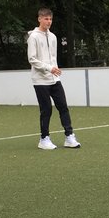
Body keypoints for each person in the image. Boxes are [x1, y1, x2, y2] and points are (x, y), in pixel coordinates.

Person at [27, 8, 80, 150]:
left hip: (54, 79)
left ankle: (69, 137)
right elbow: (32, 59)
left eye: (50, 19)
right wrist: (49, 68)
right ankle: (44, 139)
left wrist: (55, 69)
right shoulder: (33, 37)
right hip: (40, 80)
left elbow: (53, 57)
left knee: (63, 106)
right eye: (46, 19)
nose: (48, 22)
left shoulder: (53, 37)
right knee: (46, 110)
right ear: (39, 19)